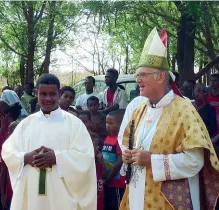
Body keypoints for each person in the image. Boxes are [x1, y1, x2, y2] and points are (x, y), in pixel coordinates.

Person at [119, 28, 219, 210]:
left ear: (161, 77)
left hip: (170, 200)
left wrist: (152, 160)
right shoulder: (139, 110)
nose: (138, 80)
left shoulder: (184, 110)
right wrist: (128, 156)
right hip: (137, 194)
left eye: (142, 75)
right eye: (137, 75)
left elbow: (195, 161)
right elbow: (127, 143)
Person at [1, 73, 97, 210]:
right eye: (43, 94)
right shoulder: (26, 124)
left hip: (61, 196)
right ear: (36, 93)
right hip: (31, 195)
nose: (48, 98)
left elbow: (85, 156)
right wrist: (24, 157)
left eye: (52, 94)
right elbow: (8, 151)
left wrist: (57, 157)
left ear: (59, 93)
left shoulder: (74, 124)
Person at [102, 109, 126, 210]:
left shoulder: (120, 140)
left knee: (116, 205)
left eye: (111, 123)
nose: (107, 125)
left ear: (121, 124)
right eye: (107, 122)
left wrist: (108, 179)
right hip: (108, 179)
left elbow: (120, 162)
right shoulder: (108, 138)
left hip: (116, 181)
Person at [1, 121, 19, 210]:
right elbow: (3, 171)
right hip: (9, 193)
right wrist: (3, 193)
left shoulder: (28, 149)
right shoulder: (7, 150)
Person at [90, 132, 107, 210]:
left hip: (99, 198)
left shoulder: (99, 158)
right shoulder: (85, 163)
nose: (97, 148)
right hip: (90, 201)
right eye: (95, 145)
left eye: (98, 145)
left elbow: (104, 175)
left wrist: (102, 162)